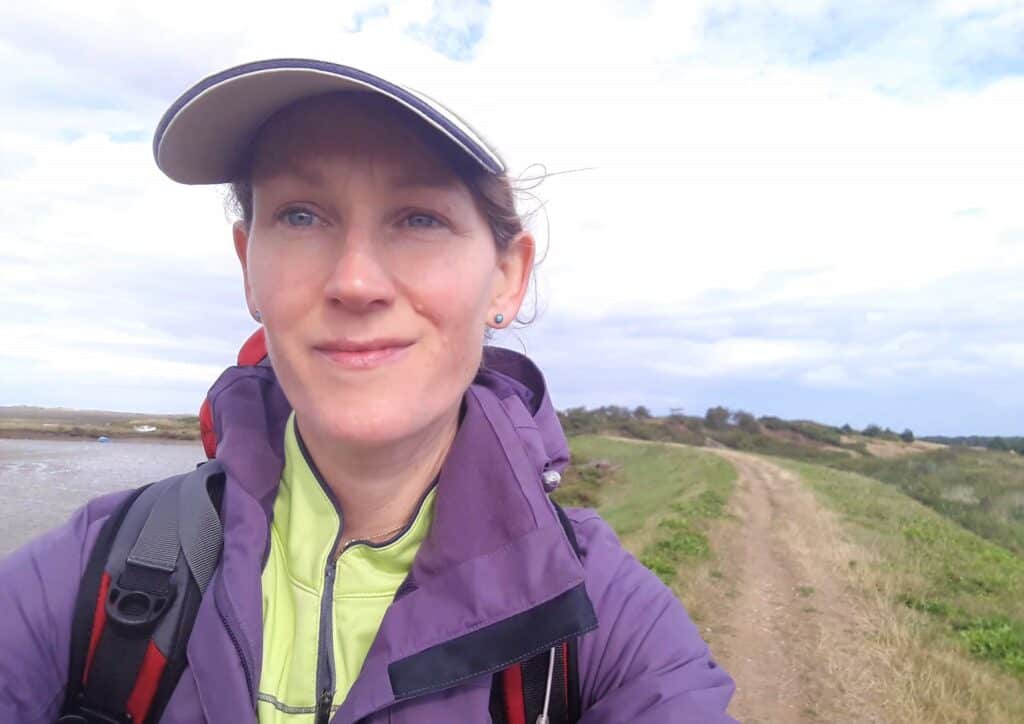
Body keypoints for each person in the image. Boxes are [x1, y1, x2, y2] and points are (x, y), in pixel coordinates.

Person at [0, 59, 735, 723]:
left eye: (420, 218)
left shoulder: (603, 619)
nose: (355, 281)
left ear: (507, 276)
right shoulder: (92, 572)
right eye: (299, 215)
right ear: (247, 264)